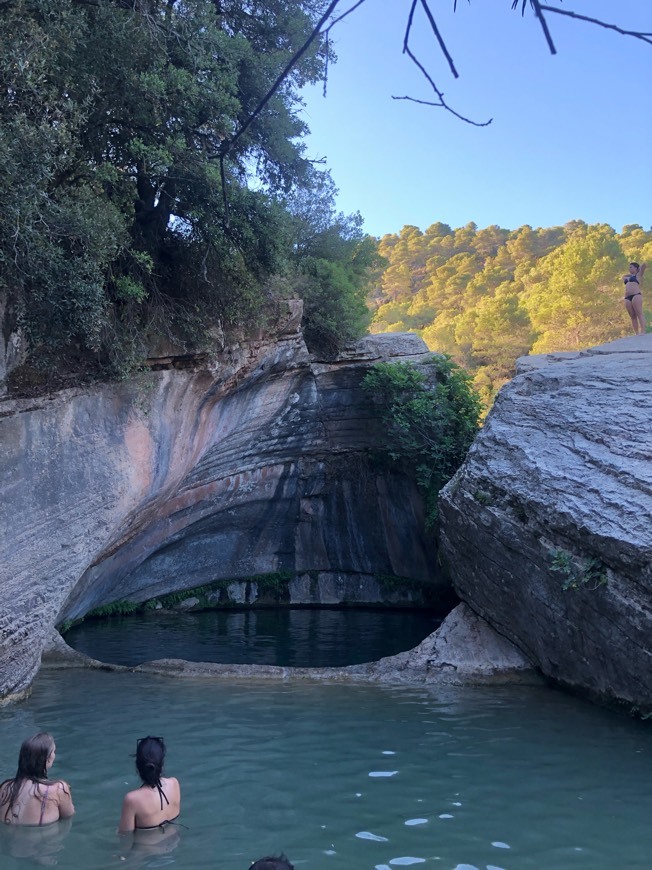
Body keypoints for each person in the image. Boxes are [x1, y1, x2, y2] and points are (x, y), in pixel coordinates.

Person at [0, 732, 75, 826]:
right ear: (48, 759)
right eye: (54, 752)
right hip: (44, 839)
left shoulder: (5, 787)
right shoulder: (58, 789)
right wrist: (65, 794)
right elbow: (68, 818)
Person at [118, 736, 181, 833]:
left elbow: (125, 839)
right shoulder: (174, 783)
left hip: (146, 848)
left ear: (137, 766)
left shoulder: (132, 800)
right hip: (174, 844)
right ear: (162, 764)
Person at [623, 261, 646, 334]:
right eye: (629, 267)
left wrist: (639, 269)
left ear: (636, 268)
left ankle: (643, 330)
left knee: (639, 313)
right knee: (632, 316)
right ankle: (636, 333)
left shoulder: (638, 275)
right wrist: (632, 274)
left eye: (631, 267)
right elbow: (623, 276)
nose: (629, 268)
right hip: (627, 297)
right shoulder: (626, 277)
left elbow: (644, 265)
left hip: (636, 295)